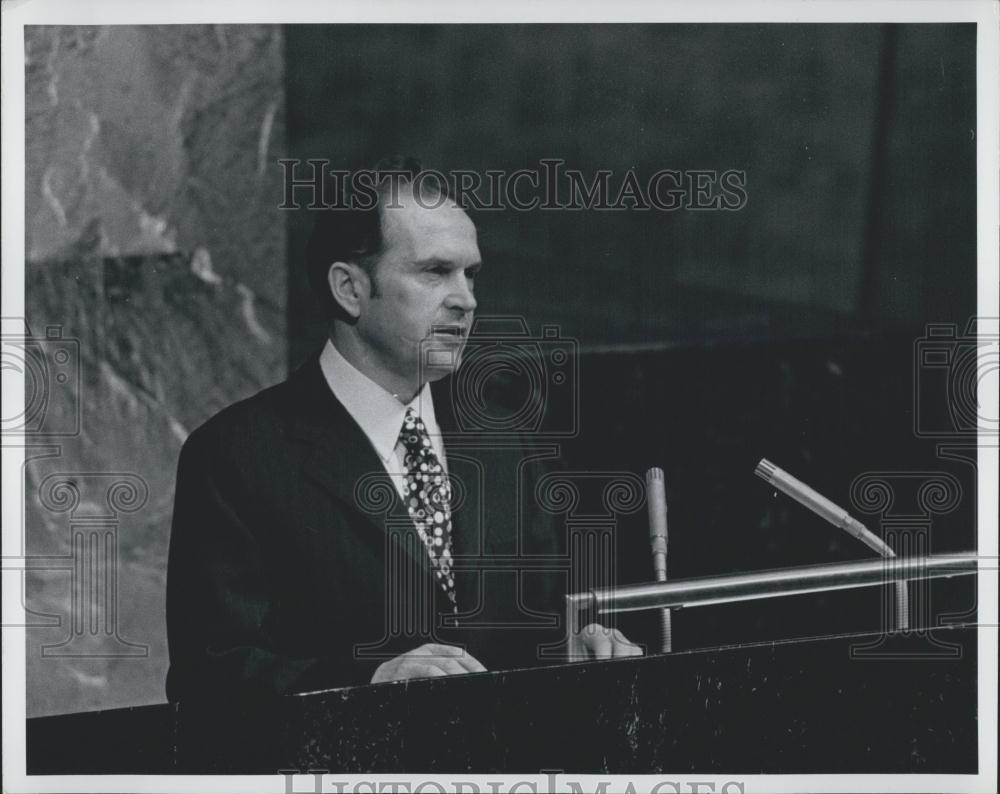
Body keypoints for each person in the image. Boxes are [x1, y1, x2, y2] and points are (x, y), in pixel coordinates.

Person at [165, 158, 640, 702]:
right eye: (435, 272)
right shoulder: (235, 457)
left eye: (471, 273)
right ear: (349, 289)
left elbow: (534, 632)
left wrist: (575, 652)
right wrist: (367, 683)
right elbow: (206, 680)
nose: (466, 298)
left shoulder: (508, 440)